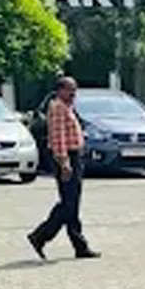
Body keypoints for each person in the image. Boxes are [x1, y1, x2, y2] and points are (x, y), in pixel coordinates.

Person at [28, 76, 99, 260]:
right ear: (60, 90)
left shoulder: (67, 106)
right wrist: (64, 162)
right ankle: (40, 235)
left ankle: (79, 244)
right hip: (66, 157)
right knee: (69, 203)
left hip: (74, 156)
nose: (73, 93)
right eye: (69, 89)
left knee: (71, 203)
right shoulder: (58, 107)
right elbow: (58, 137)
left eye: (75, 89)